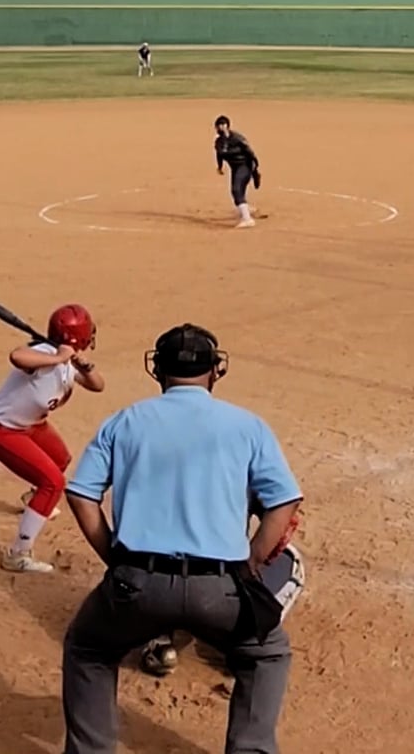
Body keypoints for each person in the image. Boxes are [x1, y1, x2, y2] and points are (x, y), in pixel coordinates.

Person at [60, 322, 302, 754]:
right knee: (267, 654)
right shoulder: (247, 425)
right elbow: (284, 502)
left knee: (89, 648)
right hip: (221, 589)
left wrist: (114, 556)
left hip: (136, 584)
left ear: (158, 370)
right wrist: (250, 564)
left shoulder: (124, 421)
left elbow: (80, 494)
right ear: (215, 370)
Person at [0, 304, 105, 574]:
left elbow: (98, 385)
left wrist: (83, 365)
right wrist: (57, 358)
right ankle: (18, 554)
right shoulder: (45, 354)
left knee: (61, 459)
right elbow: (17, 356)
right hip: (1, 430)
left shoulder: (69, 362)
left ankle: (34, 499)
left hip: (32, 426)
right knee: (53, 483)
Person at [139, 497, 305, 677]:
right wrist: (249, 567)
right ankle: (249, 644)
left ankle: (161, 643)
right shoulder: (247, 477)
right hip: (219, 591)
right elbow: (284, 513)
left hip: (155, 586)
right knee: (290, 560)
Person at [214, 115, 261, 228]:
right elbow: (219, 154)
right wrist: (220, 167)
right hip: (235, 168)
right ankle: (247, 209)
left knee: (236, 190)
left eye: (221, 125)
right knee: (236, 192)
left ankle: (248, 219)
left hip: (245, 166)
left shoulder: (237, 138)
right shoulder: (219, 142)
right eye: (218, 126)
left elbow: (250, 153)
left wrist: (255, 170)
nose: (219, 128)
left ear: (226, 126)